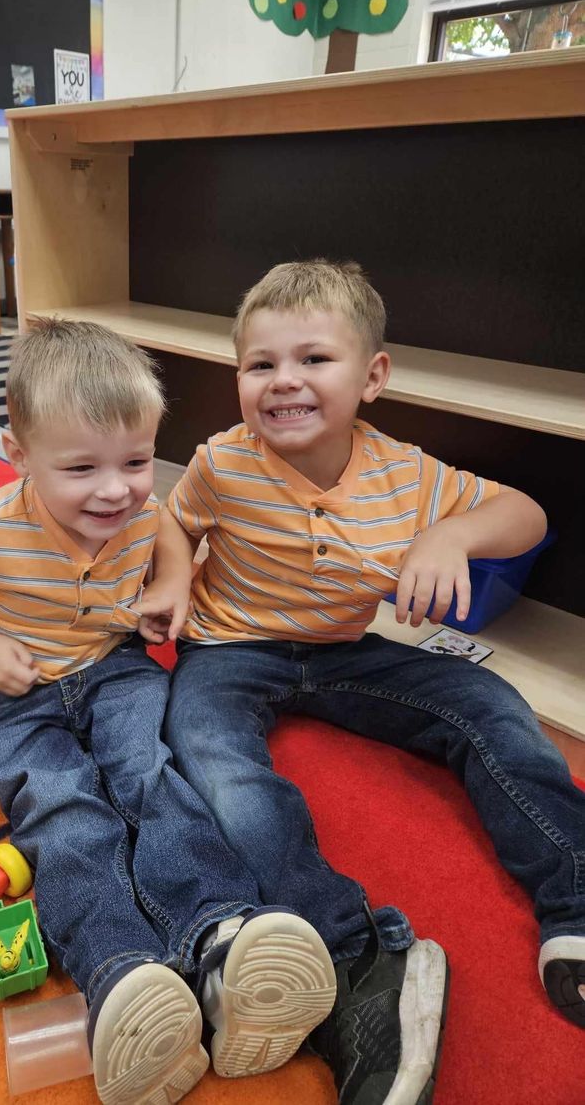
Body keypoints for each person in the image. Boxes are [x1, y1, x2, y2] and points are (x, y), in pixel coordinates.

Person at [152, 260, 585, 1104]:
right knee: (205, 753)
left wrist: (450, 537)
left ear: (372, 377)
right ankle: (354, 953)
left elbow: (525, 514)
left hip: (345, 652)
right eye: (259, 365)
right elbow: (172, 521)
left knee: (488, 705)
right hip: (229, 648)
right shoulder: (220, 461)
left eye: (313, 360)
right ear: (237, 378)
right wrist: (173, 578)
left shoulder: (406, 471)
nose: (284, 382)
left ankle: (574, 897)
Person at [0, 319, 338, 1105]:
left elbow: (164, 523)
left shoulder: (134, 503)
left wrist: (172, 586)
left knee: (152, 778)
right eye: (81, 468)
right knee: (63, 808)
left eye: (134, 461)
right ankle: (122, 974)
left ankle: (224, 934)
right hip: (16, 698)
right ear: (18, 455)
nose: (115, 489)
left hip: (117, 668)